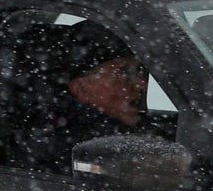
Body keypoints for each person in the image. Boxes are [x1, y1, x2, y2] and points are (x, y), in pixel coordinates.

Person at [11, 21, 150, 171]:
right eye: (124, 72)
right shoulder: (73, 151)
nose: (142, 83)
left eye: (138, 70)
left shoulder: (105, 136)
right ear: (81, 89)